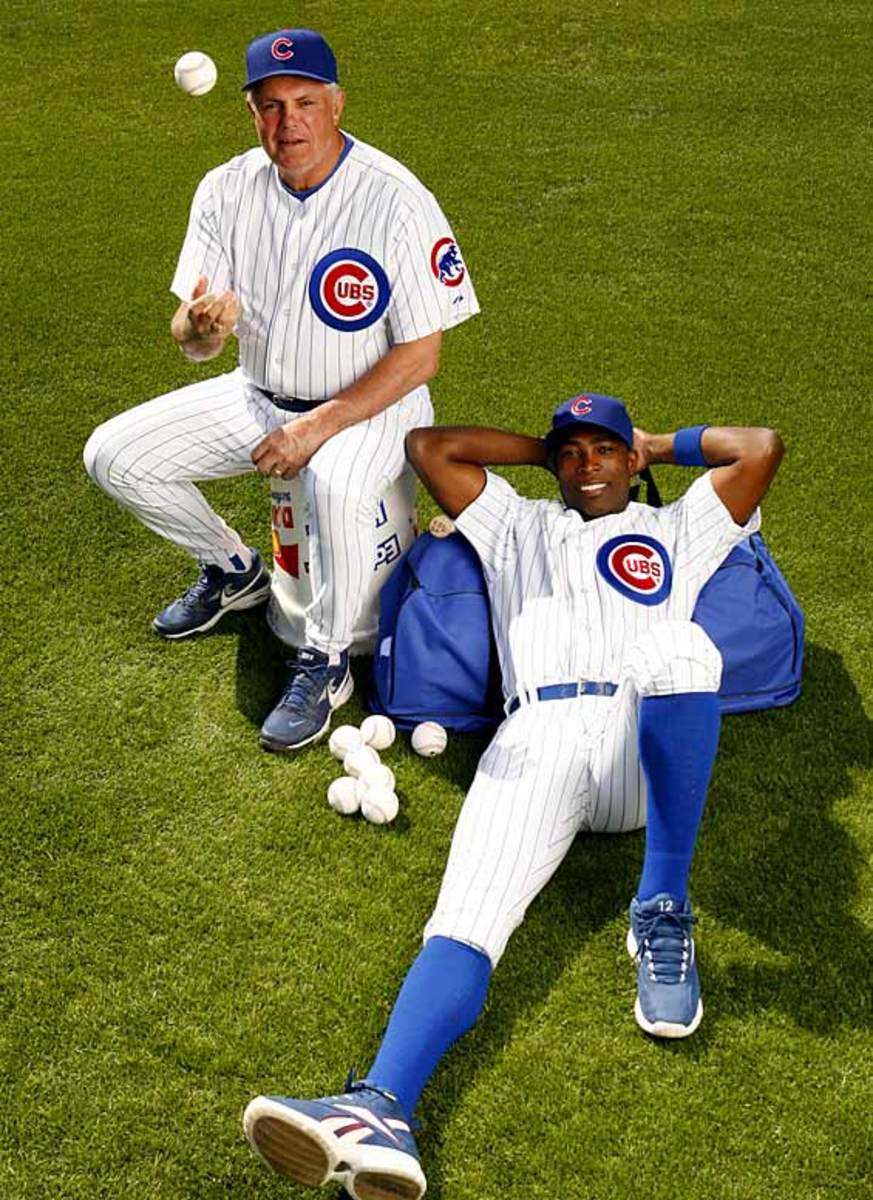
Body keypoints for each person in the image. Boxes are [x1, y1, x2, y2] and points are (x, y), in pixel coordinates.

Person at [241, 394, 784, 1200]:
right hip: (534, 737)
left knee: (678, 649)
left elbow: (758, 446)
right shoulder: (517, 524)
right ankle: (380, 1108)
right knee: (462, 921)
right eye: (573, 454)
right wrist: (547, 450)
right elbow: (430, 446)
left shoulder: (680, 529)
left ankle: (661, 906)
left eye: (602, 450)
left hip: (643, 731)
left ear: (631, 462)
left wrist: (653, 445)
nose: (585, 463)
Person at [83, 27, 479, 752]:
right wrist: (198, 327)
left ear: (335, 104)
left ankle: (325, 661)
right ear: (251, 113)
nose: (287, 122)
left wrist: (319, 426)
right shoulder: (225, 189)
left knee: (331, 486)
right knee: (115, 455)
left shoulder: (394, 198)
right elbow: (194, 338)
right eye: (270, 106)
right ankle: (232, 570)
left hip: (372, 409)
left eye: (304, 102)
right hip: (257, 395)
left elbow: (422, 355)